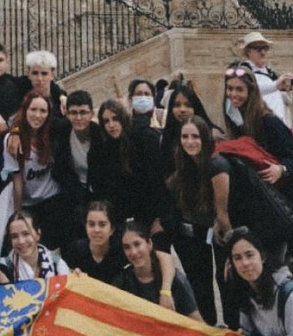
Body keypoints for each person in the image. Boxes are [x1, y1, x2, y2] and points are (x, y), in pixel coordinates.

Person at [223, 67, 293, 287]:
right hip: (274, 205)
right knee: (276, 262)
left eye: (239, 89)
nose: (234, 94)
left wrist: (282, 169)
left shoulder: (268, 121)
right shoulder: (237, 123)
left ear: (251, 91)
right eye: (230, 89)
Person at [165, 116, 232, 324]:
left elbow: (223, 213)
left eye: (195, 136)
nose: (189, 141)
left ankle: (234, 327)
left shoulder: (217, 165)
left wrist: (232, 246)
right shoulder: (182, 163)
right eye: (185, 136)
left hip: (217, 230)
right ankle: (208, 326)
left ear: (204, 138)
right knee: (199, 283)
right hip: (193, 231)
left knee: (225, 279)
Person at [91, 99, 169, 243]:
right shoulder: (103, 149)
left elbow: (156, 181)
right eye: (106, 121)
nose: (111, 125)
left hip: (151, 215)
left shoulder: (141, 140)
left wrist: (159, 218)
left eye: (115, 119)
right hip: (124, 220)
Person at [0, 93, 62, 249]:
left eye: (43, 111)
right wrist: (17, 214)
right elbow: (17, 180)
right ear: (25, 111)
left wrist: (62, 96)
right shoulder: (13, 140)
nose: (37, 115)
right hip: (28, 203)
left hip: (52, 199)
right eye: (33, 110)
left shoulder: (53, 134)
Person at [114, 219, 200, 318]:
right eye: (127, 247)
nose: (133, 252)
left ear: (149, 244)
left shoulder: (175, 279)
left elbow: (196, 320)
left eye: (137, 244)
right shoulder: (122, 281)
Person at [53, 89, 102, 219]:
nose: (78, 118)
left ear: (91, 114)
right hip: (74, 195)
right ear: (67, 114)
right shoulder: (62, 132)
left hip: (100, 195)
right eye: (74, 113)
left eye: (83, 112)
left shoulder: (101, 135)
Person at [159, 80, 216, 178]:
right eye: (177, 105)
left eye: (188, 105)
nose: (182, 110)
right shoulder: (167, 136)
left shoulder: (211, 134)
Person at [237, 33, 293, 124]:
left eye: (265, 48)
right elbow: (250, 89)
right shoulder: (244, 70)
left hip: (280, 121)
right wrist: (276, 85)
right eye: (258, 49)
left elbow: (283, 98)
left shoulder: (270, 72)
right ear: (248, 52)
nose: (263, 52)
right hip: (260, 123)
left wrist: (286, 88)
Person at [0, 210, 68, 282]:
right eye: (14, 236)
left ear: (38, 234)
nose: (21, 241)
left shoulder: (56, 263)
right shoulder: (3, 269)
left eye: (26, 234)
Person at [63, 200, 124, 282]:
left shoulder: (121, 252)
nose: (96, 230)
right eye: (91, 224)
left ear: (112, 229)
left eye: (102, 225)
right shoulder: (75, 249)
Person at [14, 50, 66, 118]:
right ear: (28, 74)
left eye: (44, 74)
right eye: (35, 73)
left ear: (52, 75)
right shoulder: (18, 95)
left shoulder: (60, 103)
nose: (39, 78)